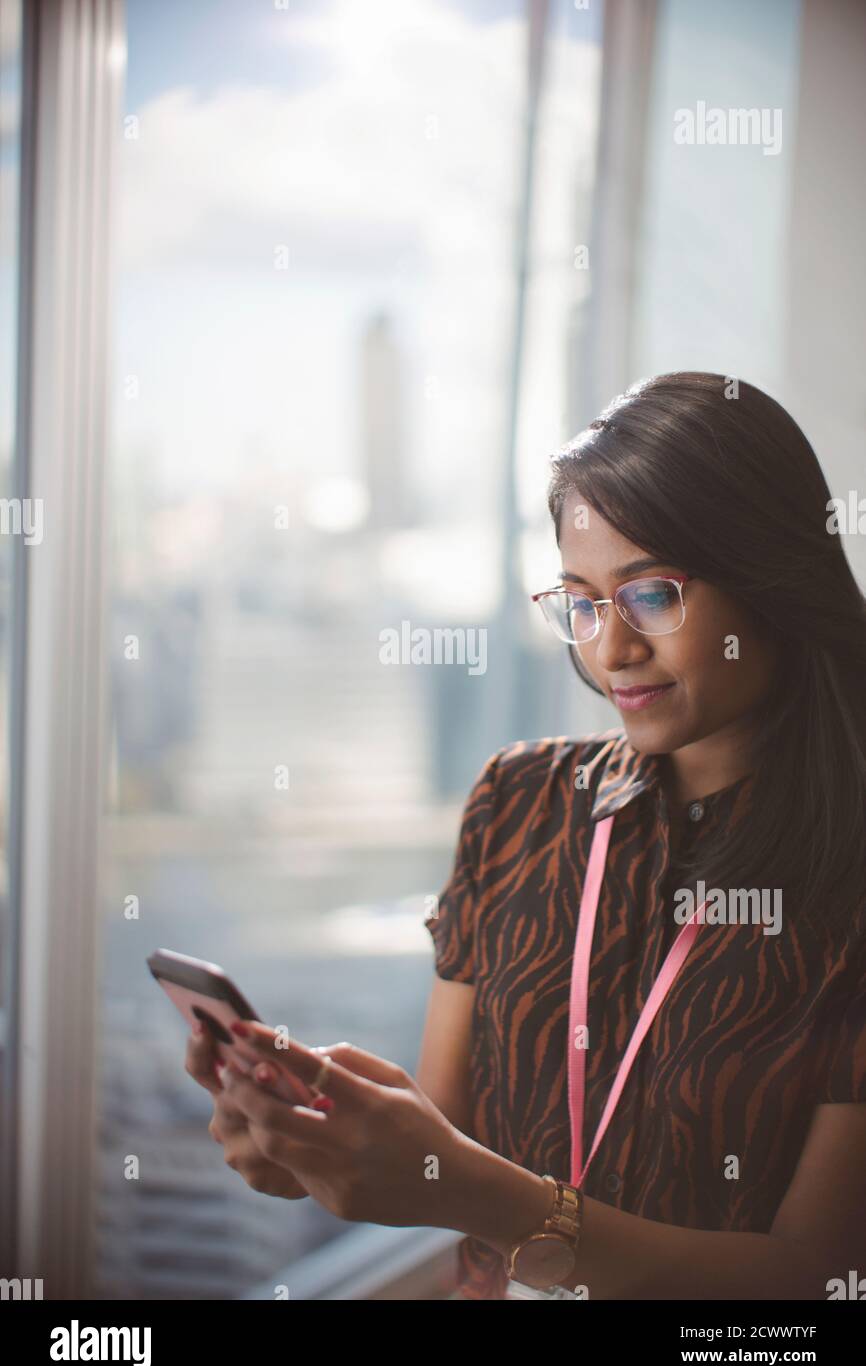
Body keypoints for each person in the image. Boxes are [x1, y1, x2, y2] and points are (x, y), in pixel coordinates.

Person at [186, 371, 866, 1300]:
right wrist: (311, 1143)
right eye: (581, 603)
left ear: (770, 578)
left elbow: (821, 1281)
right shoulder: (518, 803)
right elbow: (448, 1149)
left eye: (654, 595)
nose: (611, 648)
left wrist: (495, 1201)